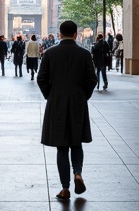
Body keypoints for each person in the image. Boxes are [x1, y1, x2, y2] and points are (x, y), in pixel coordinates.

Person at [37, 19, 97, 201]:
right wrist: (83, 95)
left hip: (57, 101)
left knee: (62, 146)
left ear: (60, 34)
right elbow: (92, 80)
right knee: (76, 142)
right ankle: (77, 173)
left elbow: (41, 78)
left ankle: (65, 188)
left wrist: (51, 95)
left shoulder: (50, 53)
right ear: (76, 34)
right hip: (78, 100)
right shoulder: (85, 54)